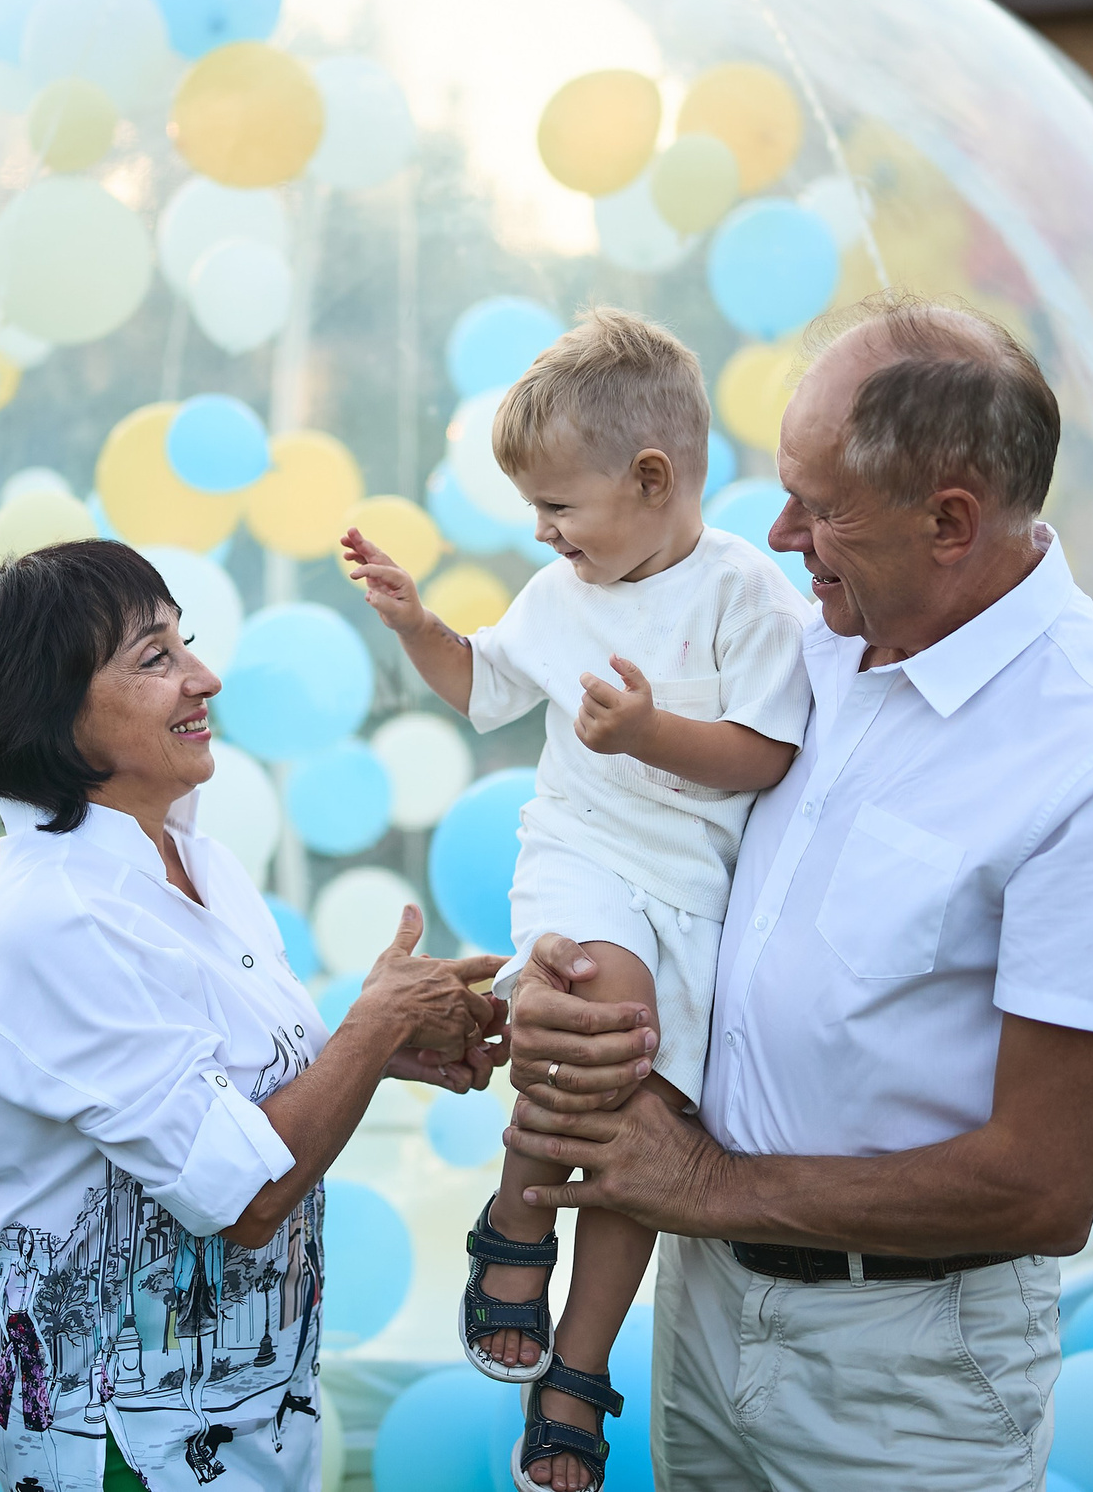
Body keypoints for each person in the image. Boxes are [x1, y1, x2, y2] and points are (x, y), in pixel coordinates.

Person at [499, 295, 1093, 1492]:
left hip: (903, 1372)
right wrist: (553, 983)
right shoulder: (807, 638)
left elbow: (1044, 1183)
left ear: (951, 521)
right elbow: (663, 864)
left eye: (821, 507)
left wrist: (702, 1183)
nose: (779, 533)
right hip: (704, 1304)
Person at [0, 539, 508, 1492]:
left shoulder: (201, 864)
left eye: (184, 644)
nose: (206, 676)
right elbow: (240, 1196)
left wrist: (387, 1042)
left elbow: (220, 1093)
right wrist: (366, 1031)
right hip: (124, 1434)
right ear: (51, 713)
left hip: (247, 1411)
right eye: (154, 658)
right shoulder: (62, 916)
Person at [344, 309, 807, 1492]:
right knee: (600, 1016)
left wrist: (651, 729)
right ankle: (517, 1215)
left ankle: (579, 1364)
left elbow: (764, 752)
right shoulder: (560, 596)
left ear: (651, 480)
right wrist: (414, 624)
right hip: (584, 854)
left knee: (650, 1112)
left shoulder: (741, 594)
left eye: (560, 508)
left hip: (692, 894)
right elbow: (480, 688)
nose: (544, 535)